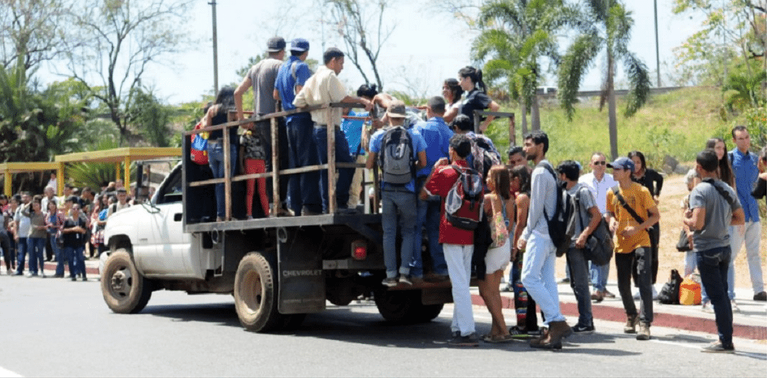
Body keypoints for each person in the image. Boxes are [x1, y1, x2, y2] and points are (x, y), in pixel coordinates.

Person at [293, 47, 372, 214]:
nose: (342, 67)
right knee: (348, 165)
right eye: (341, 63)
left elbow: (298, 102)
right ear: (333, 61)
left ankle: (327, 205)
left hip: (318, 128)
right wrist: (362, 101)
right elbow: (343, 99)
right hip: (330, 129)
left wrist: (315, 109)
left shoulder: (313, 78)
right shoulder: (330, 76)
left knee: (326, 168)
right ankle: (339, 203)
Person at [683, 149, 745, 353]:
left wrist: (686, 218)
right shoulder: (726, 188)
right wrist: (721, 222)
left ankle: (725, 340)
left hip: (706, 249)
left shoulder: (699, 191)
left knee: (717, 297)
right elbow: (740, 218)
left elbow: (697, 223)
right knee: (723, 295)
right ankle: (727, 336)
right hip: (724, 247)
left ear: (699, 167)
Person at [421, 134, 478, 346]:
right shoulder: (474, 173)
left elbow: (424, 194)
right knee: (461, 280)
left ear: (452, 151)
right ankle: (457, 327)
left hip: (451, 231)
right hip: (469, 232)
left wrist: (436, 168)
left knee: (459, 284)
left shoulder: (445, 172)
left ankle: (467, 332)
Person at [517, 131, 571, 349]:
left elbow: (536, 207)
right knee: (548, 282)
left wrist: (524, 234)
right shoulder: (549, 169)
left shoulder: (540, 172)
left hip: (540, 233)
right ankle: (552, 331)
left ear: (541, 146)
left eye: (529, 144)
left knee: (528, 278)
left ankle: (557, 321)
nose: (525, 148)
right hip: (551, 235)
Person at [367, 100, 427, 286]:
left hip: (387, 190)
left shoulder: (378, 136)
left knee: (389, 233)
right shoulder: (414, 135)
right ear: (404, 116)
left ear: (388, 116)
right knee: (409, 231)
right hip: (408, 190)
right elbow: (423, 163)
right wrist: (409, 171)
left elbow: (369, 164)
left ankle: (390, 275)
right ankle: (404, 273)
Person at [606, 156, 660, 341]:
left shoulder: (642, 191)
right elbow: (610, 212)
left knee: (644, 281)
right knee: (622, 284)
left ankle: (645, 323)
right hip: (621, 244)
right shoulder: (611, 192)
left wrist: (637, 228)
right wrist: (612, 221)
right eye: (613, 169)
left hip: (641, 240)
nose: (613, 172)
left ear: (628, 172)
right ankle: (631, 315)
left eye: (617, 169)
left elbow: (655, 216)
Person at [274, 38, 321, 216]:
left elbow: (275, 94)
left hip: (289, 120)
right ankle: (310, 205)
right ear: (305, 52)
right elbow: (301, 90)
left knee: (294, 164)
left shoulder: (282, 68)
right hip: (302, 118)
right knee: (308, 161)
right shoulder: (301, 67)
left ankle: (297, 205)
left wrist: (287, 102)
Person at [410, 96, 453, 282]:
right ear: (444, 111)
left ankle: (417, 269)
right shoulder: (450, 133)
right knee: (436, 228)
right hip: (441, 186)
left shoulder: (419, 129)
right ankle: (440, 267)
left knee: (416, 227)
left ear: (428, 110)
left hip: (422, 183)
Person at [558, 160, 601, 334]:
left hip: (578, 243)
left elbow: (596, 215)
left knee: (582, 284)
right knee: (575, 283)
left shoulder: (582, 191)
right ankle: (584, 319)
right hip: (569, 243)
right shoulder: (564, 192)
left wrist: (584, 235)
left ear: (563, 175)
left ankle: (586, 320)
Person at [728, 126, 766, 301]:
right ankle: (727, 289)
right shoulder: (728, 159)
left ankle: (759, 290)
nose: (745, 141)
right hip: (737, 216)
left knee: (754, 253)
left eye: (747, 137)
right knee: (731, 254)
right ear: (734, 141)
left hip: (754, 213)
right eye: (741, 138)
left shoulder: (755, 160)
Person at [478, 165, 515, 343]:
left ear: (495, 180)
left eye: (489, 177)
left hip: (492, 247)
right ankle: (495, 332)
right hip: (504, 245)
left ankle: (503, 329)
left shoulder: (489, 198)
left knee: (486, 291)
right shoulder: (511, 200)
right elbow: (510, 225)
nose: (486, 180)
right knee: (495, 292)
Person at [578, 152, 617, 302]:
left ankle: (601, 286)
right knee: (594, 252)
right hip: (590, 220)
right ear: (590, 165)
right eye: (597, 163)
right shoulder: (584, 181)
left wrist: (612, 217)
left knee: (605, 252)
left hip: (606, 221)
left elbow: (617, 200)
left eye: (603, 163)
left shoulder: (612, 181)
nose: (601, 166)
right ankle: (597, 286)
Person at [508, 165, 540, 337]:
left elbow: (520, 225)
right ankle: (532, 325)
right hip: (535, 244)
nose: (510, 184)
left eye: (512, 179)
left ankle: (523, 326)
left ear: (518, 180)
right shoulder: (534, 195)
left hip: (523, 246)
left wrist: (514, 249)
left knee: (520, 286)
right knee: (531, 286)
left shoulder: (521, 198)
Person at [628, 150, 663, 299]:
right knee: (634, 254)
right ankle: (637, 285)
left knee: (653, 252)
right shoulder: (627, 177)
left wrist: (656, 193)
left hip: (651, 218)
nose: (636, 165)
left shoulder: (649, 174)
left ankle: (651, 284)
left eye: (638, 162)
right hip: (634, 220)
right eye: (632, 162)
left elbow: (660, 179)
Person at [205, 86, 239, 221]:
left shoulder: (212, 109)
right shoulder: (231, 110)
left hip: (211, 147)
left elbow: (207, 128)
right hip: (226, 146)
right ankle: (226, 215)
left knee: (219, 182)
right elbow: (239, 124)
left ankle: (220, 215)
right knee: (226, 182)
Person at [343, 84, 378, 209]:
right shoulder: (340, 119)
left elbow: (374, 119)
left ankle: (351, 208)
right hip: (342, 156)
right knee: (341, 184)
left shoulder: (358, 117)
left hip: (356, 156)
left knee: (354, 185)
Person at [456, 66, 500, 133]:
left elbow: (495, 106)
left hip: (472, 135)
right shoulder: (468, 96)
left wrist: (484, 125)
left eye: (460, 79)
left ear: (467, 79)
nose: (459, 83)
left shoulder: (477, 94)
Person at [62, 201, 89, 281]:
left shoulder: (82, 221)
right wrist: (73, 229)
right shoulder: (67, 220)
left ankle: (83, 275)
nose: (75, 210)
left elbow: (85, 231)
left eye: (77, 208)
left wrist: (81, 230)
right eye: (74, 208)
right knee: (70, 259)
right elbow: (63, 230)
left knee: (80, 259)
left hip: (79, 243)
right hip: (69, 242)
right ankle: (72, 275)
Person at [22, 196, 47, 277]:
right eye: (33, 205)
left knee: (40, 254)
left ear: (40, 205)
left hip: (41, 236)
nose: (34, 206)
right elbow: (22, 211)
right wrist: (29, 203)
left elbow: (48, 225)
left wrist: (42, 227)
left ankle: (42, 270)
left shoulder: (44, 214)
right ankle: (32, 270)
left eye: (36, 205)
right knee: (31, 254)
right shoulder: (32, 214)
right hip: (31, 236)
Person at [44, 200, 65, 277]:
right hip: (51, 235)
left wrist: (56, 226)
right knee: (56, 253)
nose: (51, 206)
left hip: (58, 235)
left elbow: (63, 224)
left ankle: (60, 272)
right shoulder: (48, 214)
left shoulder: (59, 214)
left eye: (53, 204)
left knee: (59, 254)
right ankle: (59, 271)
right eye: (50, 205)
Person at [13, 193, 31, 275]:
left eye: (26, 197)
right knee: (21, 253)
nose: (24, 198)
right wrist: (15, 234)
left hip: (31, 235)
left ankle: (32, 270)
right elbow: (15, 222)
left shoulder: (32, 207)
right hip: (21, 234)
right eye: (23, 197)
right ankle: (19, 270)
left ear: (30, 198)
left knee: (31, 254)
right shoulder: (19, 208)